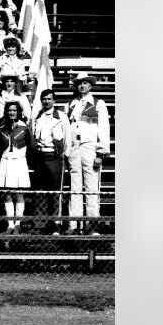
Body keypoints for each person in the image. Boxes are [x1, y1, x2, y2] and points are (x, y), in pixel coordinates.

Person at [66, 72, 110, 235]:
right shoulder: (70, 104)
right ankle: (74, 225)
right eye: (79, 83)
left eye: (85, 83)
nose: (82, 86)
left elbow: (104, 129)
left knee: (92, 187)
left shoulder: (99, 103)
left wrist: (101, 153)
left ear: (90, 85)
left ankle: (93, 225)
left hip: (90, 147)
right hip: (74, 147)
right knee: (75, 187)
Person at [31, 89, 68, 235]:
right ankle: (40, 224)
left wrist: (63, 155)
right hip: (40, 157)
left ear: (54, 100)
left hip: (54, 156)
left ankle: (55, 224)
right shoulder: (38, 117)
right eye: (44, 99)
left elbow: (67, 138)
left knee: (55, 191)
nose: (46, 101)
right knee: (40, 191)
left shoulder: (61, 117)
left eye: (49, 99)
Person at [0, 101, 32, 234]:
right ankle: (10, 224)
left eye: (14, 110)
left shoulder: (24, 127)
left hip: (19, 161)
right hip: (6, 161)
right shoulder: (2, 127)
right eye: (9, 110)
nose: (12, 113)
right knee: (7, 195)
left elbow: (31, 145)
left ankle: (18, 223)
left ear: (18, 112)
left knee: (19, 194)